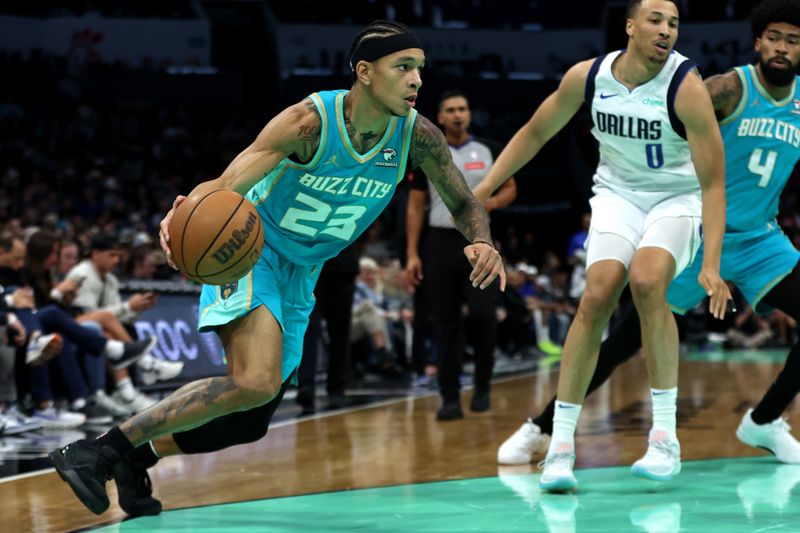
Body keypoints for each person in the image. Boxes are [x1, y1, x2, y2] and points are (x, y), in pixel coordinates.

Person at [50, 20, 506, 517]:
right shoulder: (309, 122)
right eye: (404, 67)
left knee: (250, 419)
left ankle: (137, 456)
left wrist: (482, 241)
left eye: (420, 68)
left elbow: (464, 203)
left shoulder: (418, 137)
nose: (417, 79)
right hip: (250, 250)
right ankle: (97, 450)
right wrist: (182, 212)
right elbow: (227, 183)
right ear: (365, 72)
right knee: (256, 381)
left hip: (304, 271)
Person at [497, 0, 800, 468]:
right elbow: (675, 137)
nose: (782, 48)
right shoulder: (725, 89)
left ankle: (764, 420)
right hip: (699, 228)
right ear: (758, 43)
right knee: (621, 340)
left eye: (793, 40)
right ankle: (542, 428)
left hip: (761, 239)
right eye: (775, 38)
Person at [474, 0, 729, 492]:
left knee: (648, 281)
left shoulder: (686, 86)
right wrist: (484, 189)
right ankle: (561, 445)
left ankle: (664, 438)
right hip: (617, 194)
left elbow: (714, 184)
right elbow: (535, 132)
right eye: (655, 20)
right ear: (630, 26)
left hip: (676, 197)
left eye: (673, 23)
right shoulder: (587, 78)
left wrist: (711, 263)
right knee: (595, 296)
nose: (666, 30)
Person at [405, 90, 517, 420]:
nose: (457, 115)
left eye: (463, 109)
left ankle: (482, 384)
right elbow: (414, 206)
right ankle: (449, 397)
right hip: (439, 242)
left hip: (480, 241)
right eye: (450, 109)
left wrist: (488, 205)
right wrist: (412, 253)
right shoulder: (425, 152)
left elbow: (510, 187)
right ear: (439, 117)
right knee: (445, 323)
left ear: (469, 114)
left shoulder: (488, 149)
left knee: (484, 315)